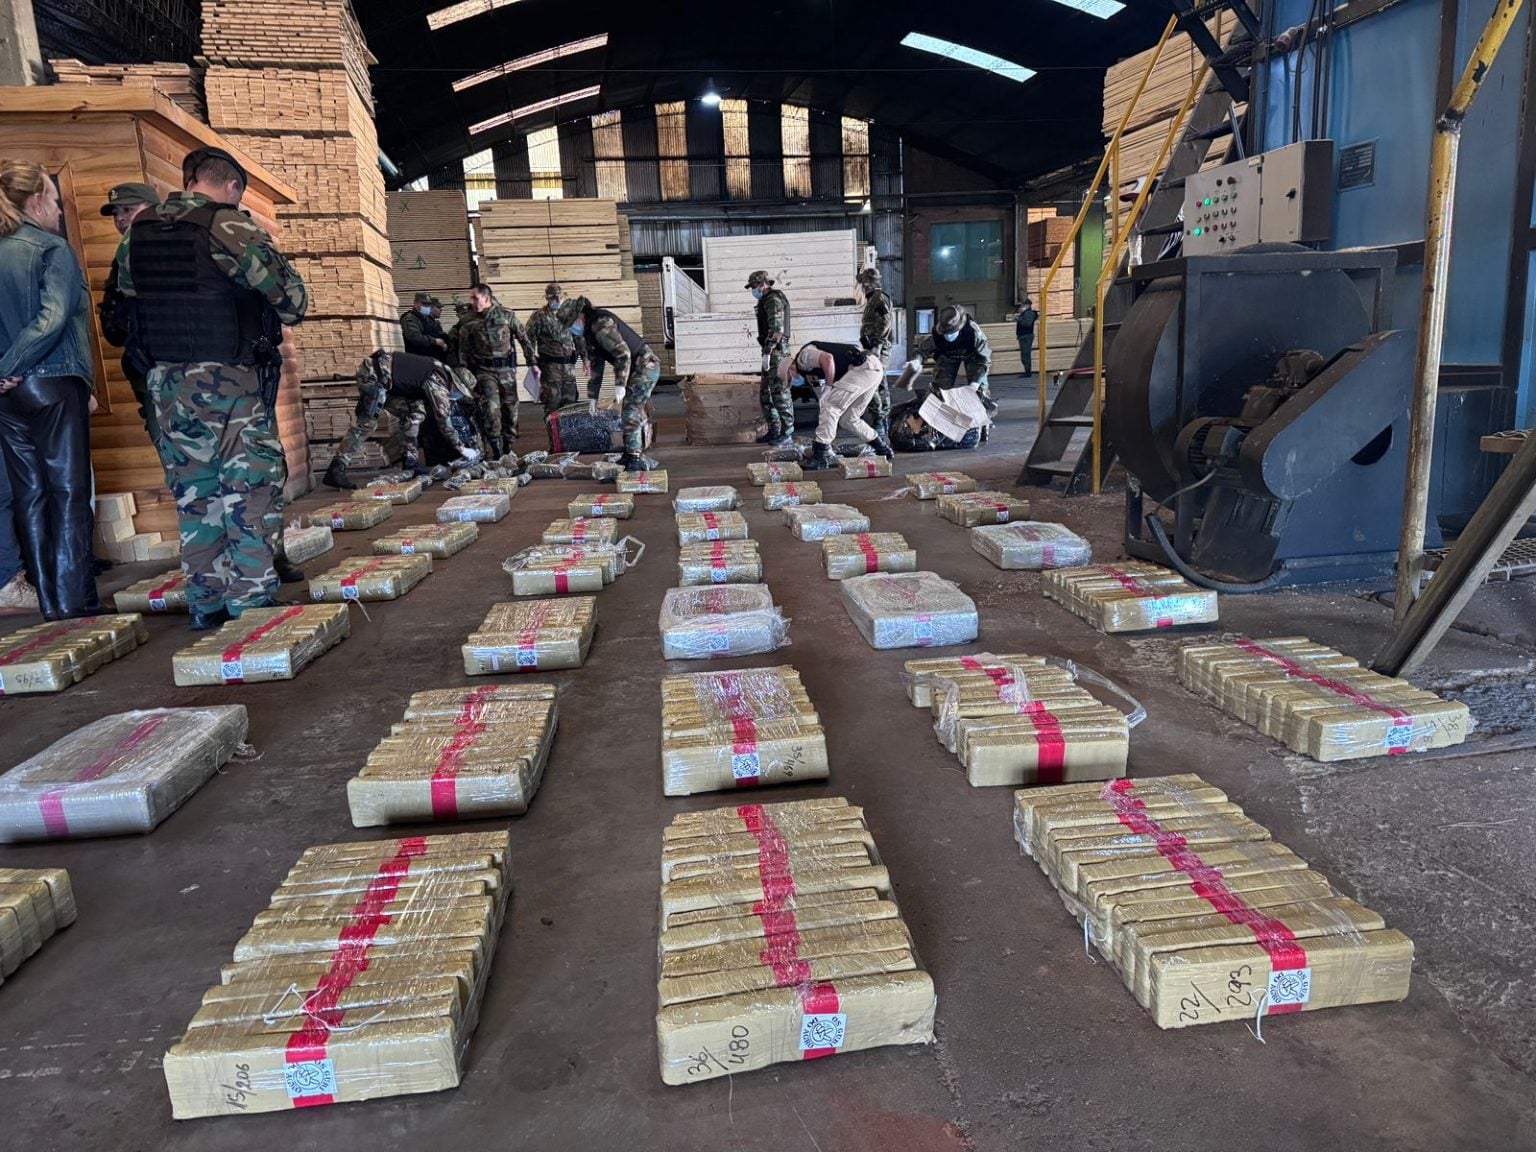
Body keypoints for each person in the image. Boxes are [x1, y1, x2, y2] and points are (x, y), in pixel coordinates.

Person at [115, 146, 308, 632]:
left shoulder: (136, 234)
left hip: (165, 385)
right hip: (227, 384)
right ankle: (251, 601)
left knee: (195, 496)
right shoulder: (228, 226)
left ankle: (207, 600)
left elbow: (125, 307)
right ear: (232, 186)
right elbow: (293, 301)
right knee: (250, 489)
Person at [0, 160, 100, 619]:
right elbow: (53, 318)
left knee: (30, 495)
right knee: (69, 492)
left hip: (7, 395)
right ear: (37, 201)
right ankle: (75, 604)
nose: (60, 212)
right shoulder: (50, 249)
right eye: (56, 202)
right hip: (50, 381)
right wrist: (12, 365)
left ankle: (50, 603)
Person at [323, 350, 480, 488]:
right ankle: (336, 469)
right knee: (367, 424)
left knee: (415, 415)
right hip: (375, 375)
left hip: (390, 382)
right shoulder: (438, 379)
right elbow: (443, 418)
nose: (457, 395)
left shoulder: (441, 371)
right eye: (459, 391)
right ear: (455, 384)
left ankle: (410, 463)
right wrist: (461, 448)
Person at [557, 294, 660, 472]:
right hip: (635, 368)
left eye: (571, 324)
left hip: (645, 366)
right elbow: (596, 365)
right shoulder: (590, 332)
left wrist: (620, 384)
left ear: (580, 316)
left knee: (631, 409)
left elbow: (623, 354)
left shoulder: (601, 323)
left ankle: (634, 458)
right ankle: (629, 452)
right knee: (628, 410)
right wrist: (593, 396)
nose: (572, 329)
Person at [96, 182, 160, 441]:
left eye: (128, 209)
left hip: (159, 365)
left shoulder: (138, 245)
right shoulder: (130, 248)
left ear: (153, 208)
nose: (120, 218)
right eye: (116, 213)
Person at [782, 340, 891, 470]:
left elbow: (828, 359)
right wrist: (825, 404)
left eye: (790, 379)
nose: (793, 383)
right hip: (872, 369)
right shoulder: (809, 375)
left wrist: (829, 387)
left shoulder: (803, 357)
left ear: (791, 369)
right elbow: (822, 398)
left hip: (863, 368)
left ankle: (821, 456)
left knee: (831, 406)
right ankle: (882, 448)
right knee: (848, 418)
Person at [461, 283, 533, 457]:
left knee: (511, 410)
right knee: (491, 411)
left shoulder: (507, 315)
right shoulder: (467, 321)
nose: (471, 301)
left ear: (486, 298)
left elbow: (524, 339)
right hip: (484, 371)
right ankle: (497, 451)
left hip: (507, 372)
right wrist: (464, 372)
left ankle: (508, 446)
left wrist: (532, 363)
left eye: (475, 298)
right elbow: (462, 349)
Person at [746, 269, 794, 447]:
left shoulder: (773, 299)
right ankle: (774, 429)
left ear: (762, 284)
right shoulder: (765, 300)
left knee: (780, 393)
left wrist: (768, 351)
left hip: (777, 352)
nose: (753, 290)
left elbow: (777, 330)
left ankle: (787, 433)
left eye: (754, 286)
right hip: (771, 351)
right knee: (766, 393)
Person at [527, 282, 582, 429]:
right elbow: (528, 340)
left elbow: (579, 338)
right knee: (552, 403)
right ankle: (554, 437)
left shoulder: (570, 315)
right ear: (547, 298)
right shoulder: (539, 316)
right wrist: (532, 363)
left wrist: (586, 358)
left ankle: (568, 437)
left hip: (569, 367)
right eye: (553, 298)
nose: (557, 300)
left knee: (570, 405)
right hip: (550, 368)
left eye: (560, 297)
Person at [856, 265, 895, 442]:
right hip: (872, 347)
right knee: (879, 383)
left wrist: (877, 346)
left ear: (868, 283)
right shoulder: (873, 299)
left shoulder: (879, 298)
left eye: (864, 283)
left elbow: (885, 323)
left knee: (874, 383)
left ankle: (880, 419)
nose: (862, 287)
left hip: (878, 349)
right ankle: (881, 418)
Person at [401, 291, 449, 358]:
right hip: (417, 358)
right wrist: (434, 341)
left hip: (430, 357)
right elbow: (414, 336)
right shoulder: (410, 318)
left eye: (429, 304)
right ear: (416, 303)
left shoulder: (427, 319)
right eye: (424, 304)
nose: (427, 306)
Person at [1015, 298, 1039, 378]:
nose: (1021, 307)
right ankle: (1027, 371)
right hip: (1024, 336)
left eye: (1023, 305)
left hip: (1026, 336)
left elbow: (1027, 323)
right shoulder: (1025, 313)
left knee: (1026, 354)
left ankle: (1028, 371)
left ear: (1027, 305)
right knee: (1024, 354)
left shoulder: (1029, 313)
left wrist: (1019, 319)